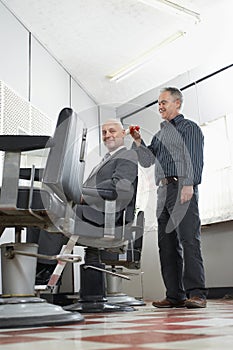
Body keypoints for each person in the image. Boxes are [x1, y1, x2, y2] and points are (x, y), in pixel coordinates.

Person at [27, 119, 138, 284]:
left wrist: (83, 196)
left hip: (105, 217)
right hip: (92, 212)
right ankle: (32, 268)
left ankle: (43, 272)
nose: (108, 135)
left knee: (52, 214)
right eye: (104, 132)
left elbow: (119, 188)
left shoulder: (128, 155)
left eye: (112, 131)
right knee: (36, 217)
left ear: (123, 133)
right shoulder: (106, 160)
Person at [130, 86, 207, 309]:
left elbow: (194, 157)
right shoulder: (160, 134)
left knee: (188, 240)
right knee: (167, 245)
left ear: (177, 103)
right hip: (162, 191)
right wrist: (137, 140)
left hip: (182, 186)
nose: (160, 106)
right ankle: (175, 295)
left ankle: (197, 293)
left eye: (164, 102)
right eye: (159, 103)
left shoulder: (189, 128)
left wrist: (189, 184)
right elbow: (146, 161)